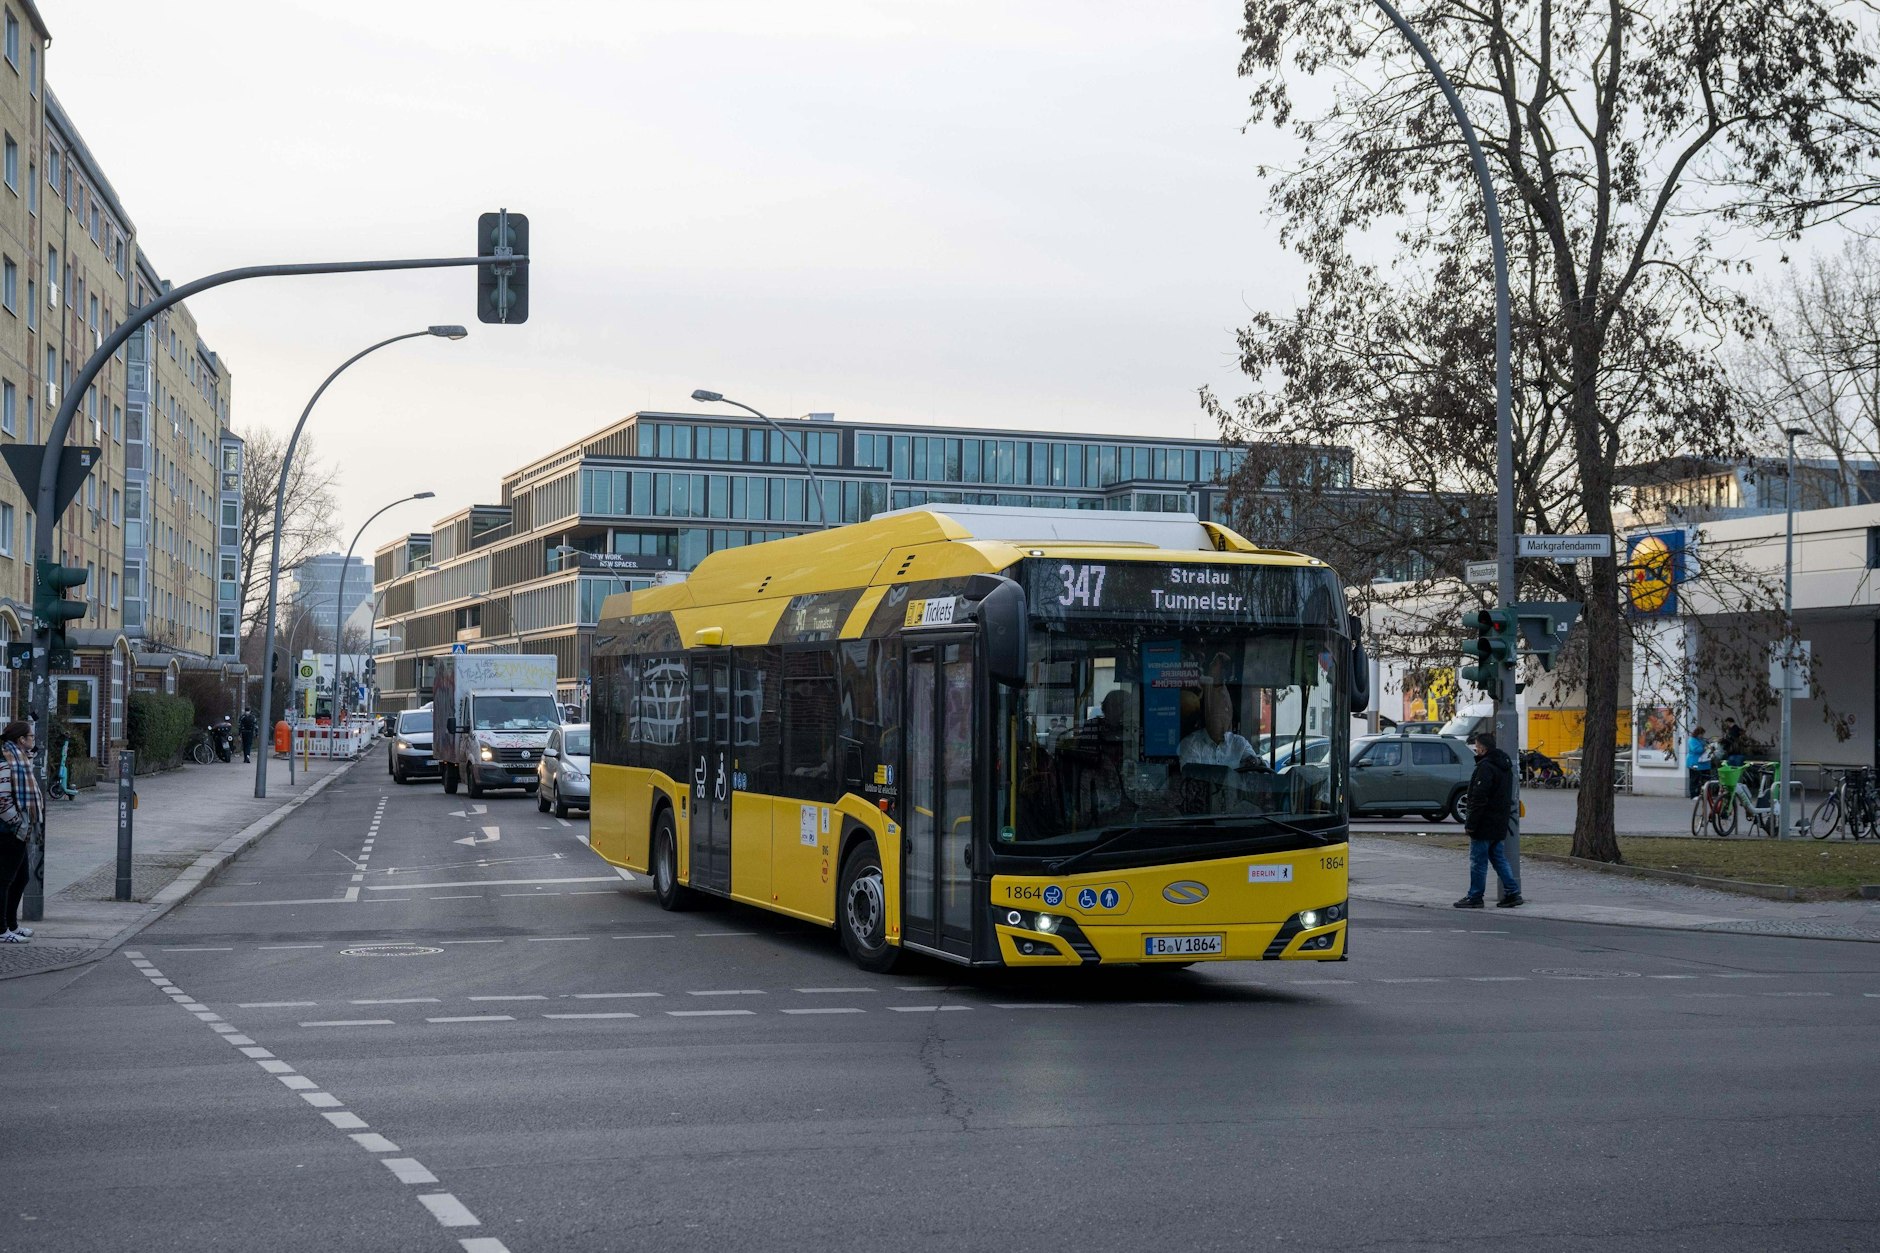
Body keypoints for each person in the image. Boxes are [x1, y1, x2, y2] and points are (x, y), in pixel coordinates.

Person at [1454, 730, 1521, 909]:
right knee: (1498, 857)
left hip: (1484, 822)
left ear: (1483, 749)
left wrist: (1470, 824)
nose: (1475, 750)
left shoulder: (1486, 767)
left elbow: (1478, 798)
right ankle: (1513, 891)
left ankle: (1475, 896)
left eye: (1476, 747)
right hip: (1499, 822)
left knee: (1478, 861)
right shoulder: (1504, 766)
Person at [0, 721, 43, 943]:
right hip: (8, 831)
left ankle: (11, 925)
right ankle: (2, 929)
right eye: (30, 737)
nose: (33, 740)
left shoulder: (18, 758)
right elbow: (2, 799)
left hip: (17, 830)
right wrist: (18, 823)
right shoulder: (7, 761)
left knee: (21, 877)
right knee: (5, 879)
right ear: (20, 740)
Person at [1178, 684, 1262, 769]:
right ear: (1208, 719)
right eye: (1217, 718)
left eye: (1225, 718)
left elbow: (1258, 765)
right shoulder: (1191, 744)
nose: (1222, 723)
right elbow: (1192, 777)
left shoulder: (1239, 743)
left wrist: (1256, 761)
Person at [1684, 725, 1713, 799]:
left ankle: (1704, 794)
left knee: (1705, 779)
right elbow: (1696, 750)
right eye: (1701, 734)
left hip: (1704, 763)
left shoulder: (1701, 740)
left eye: (1703, 734)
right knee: (1695, 779)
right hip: (1694, 762)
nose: (1702, 736)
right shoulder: (1692, 740)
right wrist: (1705, 748)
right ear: (1697, 733)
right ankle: (1694, 795)